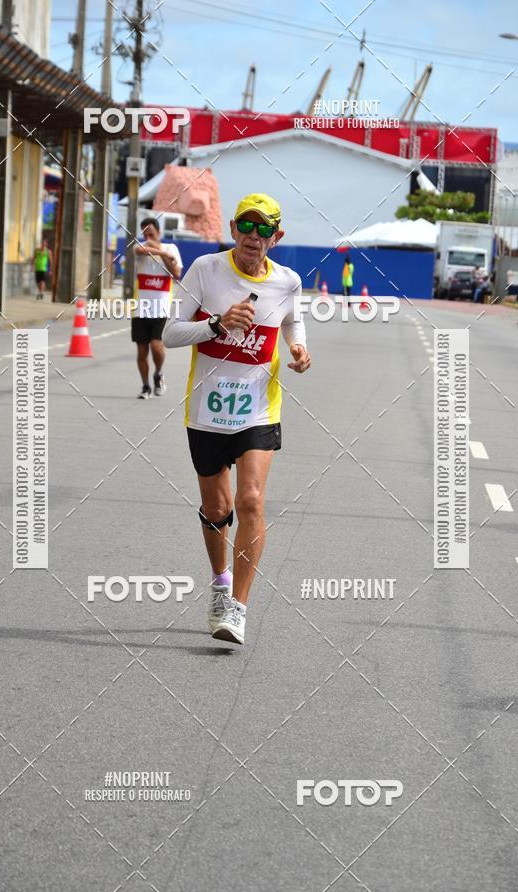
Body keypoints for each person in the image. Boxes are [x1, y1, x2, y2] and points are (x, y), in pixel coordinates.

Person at [163, 192, 310, 645]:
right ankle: (221, 581)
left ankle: (237, 609)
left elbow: (292, 322)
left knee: (250, 501)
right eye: (247, 225)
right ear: (233, 229)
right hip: (207, 413)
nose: (254, 235)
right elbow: (169, 333)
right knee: (218, 509)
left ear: (276, 237)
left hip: (258, 411)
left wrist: (299, 348)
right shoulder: (205, 271)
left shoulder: (288, 282)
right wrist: (216, 325)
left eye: (265, 228)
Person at [132, 217, 183, 398]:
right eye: (145, 234)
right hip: (141, 309)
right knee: (141, 350)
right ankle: (145, 386)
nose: (148, 237)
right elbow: (140, 249)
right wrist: (159, 252)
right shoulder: (140, 247)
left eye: (151, 234)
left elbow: (177, 274)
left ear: (159, 233)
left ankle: (158, 373)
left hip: (161, 309)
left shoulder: (171, 249)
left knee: (156, 345)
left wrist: (164, 255)